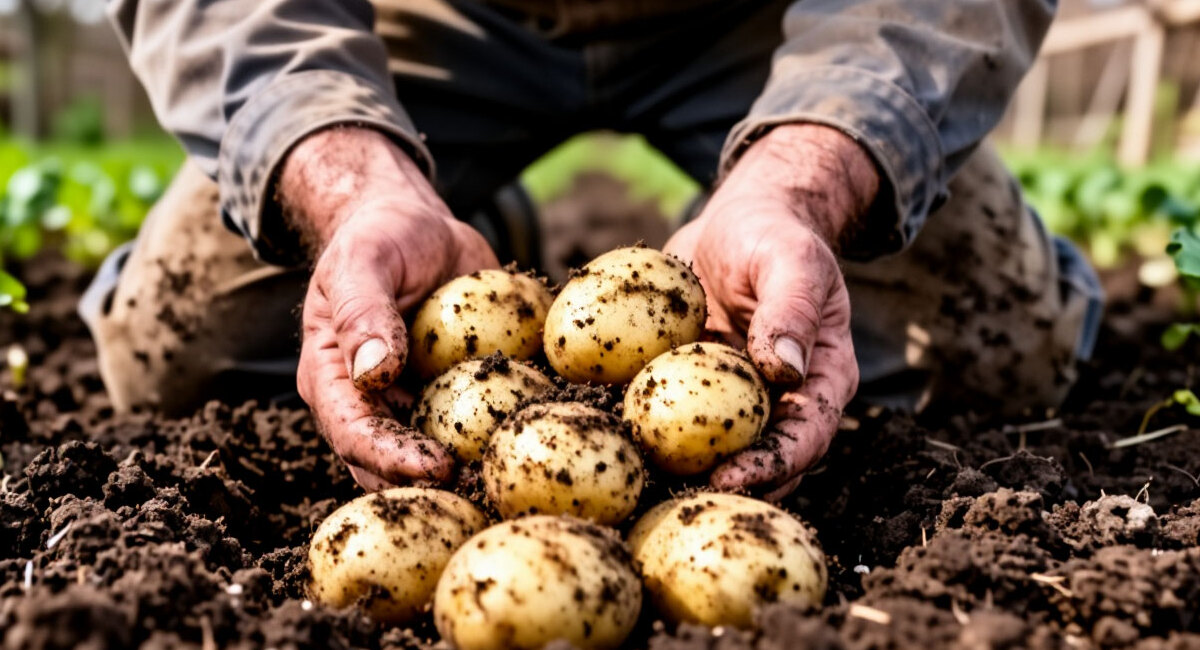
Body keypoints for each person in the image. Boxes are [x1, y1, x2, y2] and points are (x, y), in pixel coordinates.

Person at [81, 0, 1101, 499]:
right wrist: (351, 181)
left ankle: (741, 193)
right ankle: (473, 226)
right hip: (433, 15)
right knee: (178, 345)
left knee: (996, 344)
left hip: (762, 24)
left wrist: (802, 175)